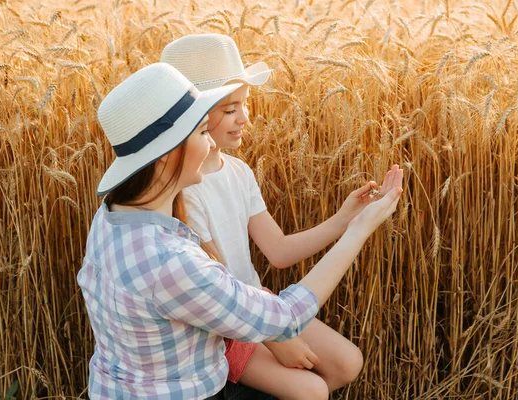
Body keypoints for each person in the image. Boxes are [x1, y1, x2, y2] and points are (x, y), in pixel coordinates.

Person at [77, 62, 403, 399]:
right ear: (168, 154)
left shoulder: (112, 216)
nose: (210, 144)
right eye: (203, 133)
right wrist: (359, 228)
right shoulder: (172, 259)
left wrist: (345, 220)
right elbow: (284, 317)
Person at [161, 34, 402, 399]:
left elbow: (279, 250)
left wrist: (345, 218)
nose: (244, 118)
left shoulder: (238, 171)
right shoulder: (184, 192)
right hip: (223, 325)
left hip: (254, 300)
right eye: (229, 110)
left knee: (346, 363)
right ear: (193, 116)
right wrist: (276, 340)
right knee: (310, 390)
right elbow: (221, 294)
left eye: (244, 104)